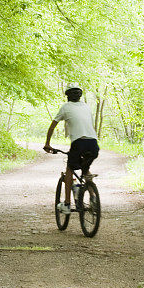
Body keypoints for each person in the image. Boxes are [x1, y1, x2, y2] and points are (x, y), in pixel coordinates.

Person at [43, 83, 100, 215]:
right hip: (93, 143)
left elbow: (52, 127)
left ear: (67, 95)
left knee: (70, 168)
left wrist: (47, 144)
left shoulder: (65, 107)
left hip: (78, 143)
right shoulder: (86, 107)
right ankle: (93, 197)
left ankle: (67, 204)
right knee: (85, 168)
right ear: (80, 95)